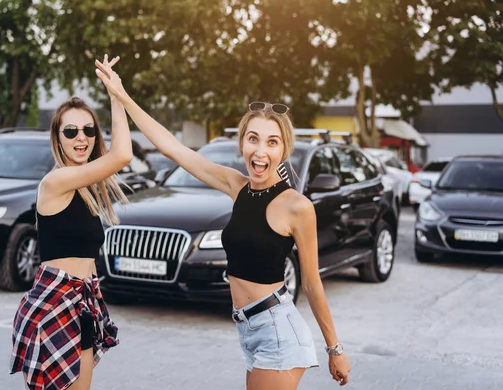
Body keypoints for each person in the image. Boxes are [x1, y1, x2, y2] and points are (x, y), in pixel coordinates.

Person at [95, 58, 351, 389]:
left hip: (277, 330)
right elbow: (172, 148)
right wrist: (122, 96)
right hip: (250, 329)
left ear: (284, 148)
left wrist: (335, 349)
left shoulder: (297, 206)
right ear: (242, 142)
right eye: (253, 139)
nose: (260, 151)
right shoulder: (236, 185)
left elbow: (313, 284)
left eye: (272, 142)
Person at [10, 55, 133, 390]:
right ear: (58, 137)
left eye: (89, 129)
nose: (82, 138)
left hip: (83, 306)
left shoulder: (87, 188)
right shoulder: (55, 183)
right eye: (71, 131)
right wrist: (116, 95)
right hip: (53, 307)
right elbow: (123, 155)